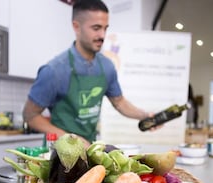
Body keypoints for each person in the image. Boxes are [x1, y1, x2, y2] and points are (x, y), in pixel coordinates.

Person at [23, 0, 153, 146]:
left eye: (105, 28)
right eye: (96, 28)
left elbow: (120, 102)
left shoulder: (107, 66)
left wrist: (145, 116)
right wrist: (72, 140)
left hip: (90, 147)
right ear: (76, 27)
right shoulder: (54, 70)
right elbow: (30, 115)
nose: (102, 35)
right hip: (60, 151)